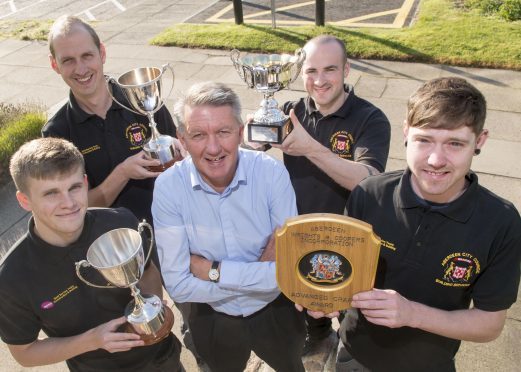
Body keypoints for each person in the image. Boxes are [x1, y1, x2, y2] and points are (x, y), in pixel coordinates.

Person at [308, 77, 521, 371]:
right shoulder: (369, 195)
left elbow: (490, 324)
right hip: (354, 354)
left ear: (479, 141)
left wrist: (412, 314)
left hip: (430, 363)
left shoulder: (501, 222)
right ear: (406, 132)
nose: (435, 159)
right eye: (424, 140)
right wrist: (324, 295)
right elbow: (342, 271)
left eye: (455, 143)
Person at [152, 82, 306, 371]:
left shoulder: (271, 173)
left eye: (223, 132)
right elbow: (178, 285)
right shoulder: (168, 188)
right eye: (198, 135)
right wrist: (262, 273)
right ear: (182, 140)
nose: (213, 148)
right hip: (212, 317)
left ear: (239, 131)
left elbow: (289, 271)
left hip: (275, 311)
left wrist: (212, 270)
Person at [0, 137, 182, 371]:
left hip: (163, 360)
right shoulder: (11, 279)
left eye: (74, 187)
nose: (68, 203)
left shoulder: (121, 221)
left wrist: (151, 308)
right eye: (51, 193)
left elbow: (148, 272)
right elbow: (25, 353)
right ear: (25, 200)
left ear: (85, 183)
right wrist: (92, 340)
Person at [274, 35, 391, 352]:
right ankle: (318, 336)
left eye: (330, 69)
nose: (320, 80)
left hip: (349, 237)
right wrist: (250, 132)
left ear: (347, 69)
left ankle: (349, 346)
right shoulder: (291, 112)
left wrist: (311, 148)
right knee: (309, 303)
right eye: (311, 71)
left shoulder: (371, 119)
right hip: (302, 232)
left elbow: (369, 179)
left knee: (352, 312)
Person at [42, 15, 178, 229]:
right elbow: (77, 209)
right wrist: (123, 173)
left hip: (175, 224)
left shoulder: (143, 97)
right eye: (68, 60)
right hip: (117, 245)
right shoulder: (56, 134)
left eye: (87, 55)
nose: (80, 69)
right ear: (54, 64)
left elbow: (181, 160)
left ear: (102, 53)